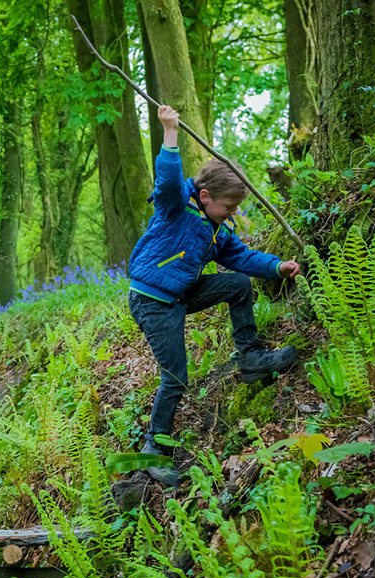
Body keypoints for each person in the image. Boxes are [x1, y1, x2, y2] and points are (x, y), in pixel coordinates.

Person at [128, 105, 301, 486]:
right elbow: (168, 182)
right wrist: (170, 133)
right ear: (205, 196)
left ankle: (252, 357)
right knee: (175, 377)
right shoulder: (175, 208)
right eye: (230, 206)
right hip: (153, 302)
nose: (233, 213)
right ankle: (154, 451)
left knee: (238, 283)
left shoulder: (216, 228)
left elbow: (240, 257)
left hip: (181, 295)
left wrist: (276, 266)